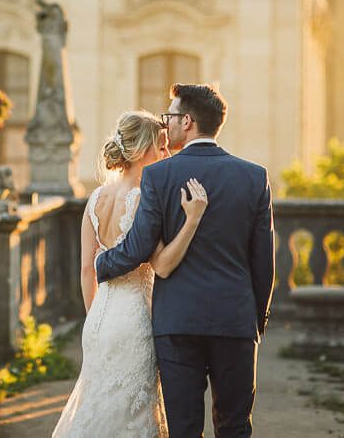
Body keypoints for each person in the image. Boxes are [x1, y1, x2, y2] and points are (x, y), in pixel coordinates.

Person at [95, 84, 275, 438]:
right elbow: (263, 258)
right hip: (235, 320)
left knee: (184, 429)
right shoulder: (254, 176)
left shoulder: (159, 176)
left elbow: (138, 246)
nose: (167, 125)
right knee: (235, 426)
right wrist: (257, 317)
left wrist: (102, 264)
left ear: (188, 121)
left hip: (176, 322)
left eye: (171, 117)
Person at [53, 110, 209, 437]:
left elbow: (86, 269)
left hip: (98, 319)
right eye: (162, 146)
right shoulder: (143, 199)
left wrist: (94, 317)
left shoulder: (95, 198)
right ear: (141, 151)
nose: (168, 154)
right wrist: (192, 220)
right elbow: (162, 264)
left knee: (100, 404)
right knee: (133, 413)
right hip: (134, 319)